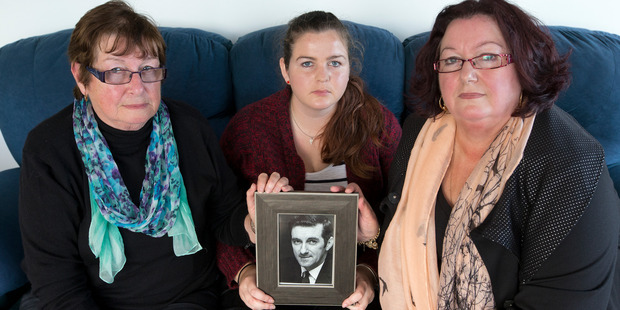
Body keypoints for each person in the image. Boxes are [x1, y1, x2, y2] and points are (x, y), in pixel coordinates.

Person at [17, 1, 290, 309]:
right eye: (117, 71)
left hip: (188, 299)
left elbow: (224, 216)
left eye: (147, 69)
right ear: (82, 77)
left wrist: (254, 222)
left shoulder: (189, 126)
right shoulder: (49, 150)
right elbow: (56, 280)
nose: (137, 87)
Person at [377, 0, 620, 309]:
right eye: (452, 60)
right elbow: (393, 238)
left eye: (488, 57)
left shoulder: (572, 166)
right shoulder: (418, 131)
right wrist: (368, 243)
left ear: (524, 63)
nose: (467, 74)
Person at [216, 11, 401, 310]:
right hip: (269, 288)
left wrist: (368, 272)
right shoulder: (247, 129)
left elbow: (405, 221)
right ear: (285, 70)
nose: (322, 76)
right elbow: (218, 220)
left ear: (348, 67)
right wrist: (244, 273)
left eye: (334, 63)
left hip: (352, 286)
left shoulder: (379, 125)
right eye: (307, 63)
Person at [280, 215, 334, 285]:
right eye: (297, 241)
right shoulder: (279, 269)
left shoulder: (343, 273)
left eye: (312, 241)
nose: (303, 251)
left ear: (328, 244)